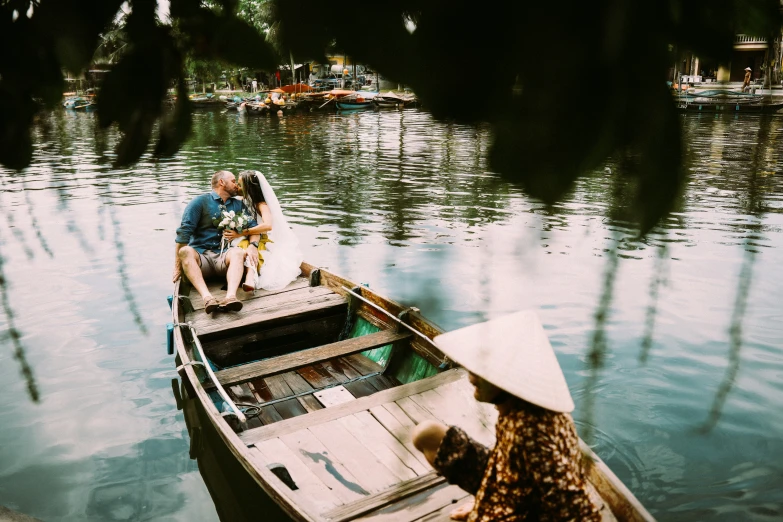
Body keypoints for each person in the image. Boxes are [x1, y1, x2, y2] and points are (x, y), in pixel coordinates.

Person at [412, 311, 602, 521]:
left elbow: (577, 508)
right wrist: (486, 498)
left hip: (526, 512)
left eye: (482, 372)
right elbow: (507, 463)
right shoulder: (514, 407)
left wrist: (489, 510)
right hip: (508, 486)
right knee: (428, 434)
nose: (471, 377)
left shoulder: (531, 433)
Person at [173, 170, 261, 314]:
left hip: (224, 257)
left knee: (238, 252)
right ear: (222, 182)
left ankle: (231, 297)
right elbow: (183, 234)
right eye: (233, 181)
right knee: (185, 251)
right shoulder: (200, 202)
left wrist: (253, 245)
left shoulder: (238, 205)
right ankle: (207, 298)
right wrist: (177, 266)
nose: (237, 186)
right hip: (201, 259)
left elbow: (254, 229)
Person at [222, 170, 303, 291]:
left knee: (250, 248)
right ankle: (248, 276)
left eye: (240, 185)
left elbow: (268, 226)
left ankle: (250, 277)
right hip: (251, 236)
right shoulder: (243, 199)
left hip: (264, 238)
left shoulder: (261, 204)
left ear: (248, 187)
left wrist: (241, 232)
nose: (237, 187)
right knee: (242, 246)